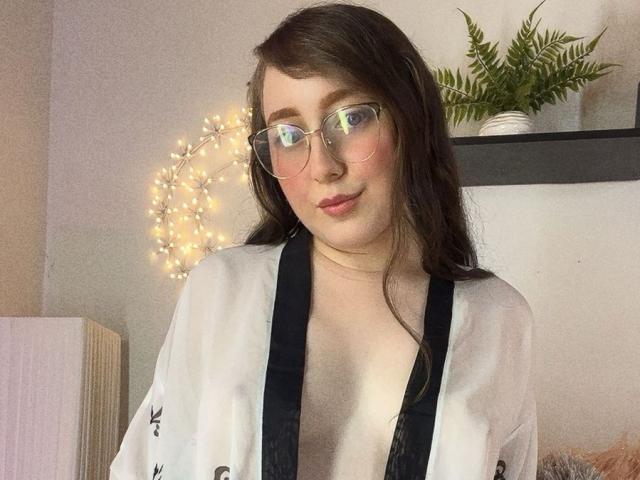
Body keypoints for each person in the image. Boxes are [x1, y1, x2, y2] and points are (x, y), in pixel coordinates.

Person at [109, 3, 538, 479]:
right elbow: (145, 466)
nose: (322, 166)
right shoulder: (222, 291)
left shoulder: (499, 319)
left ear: (411, 119)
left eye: (351, 119)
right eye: (287, 134)